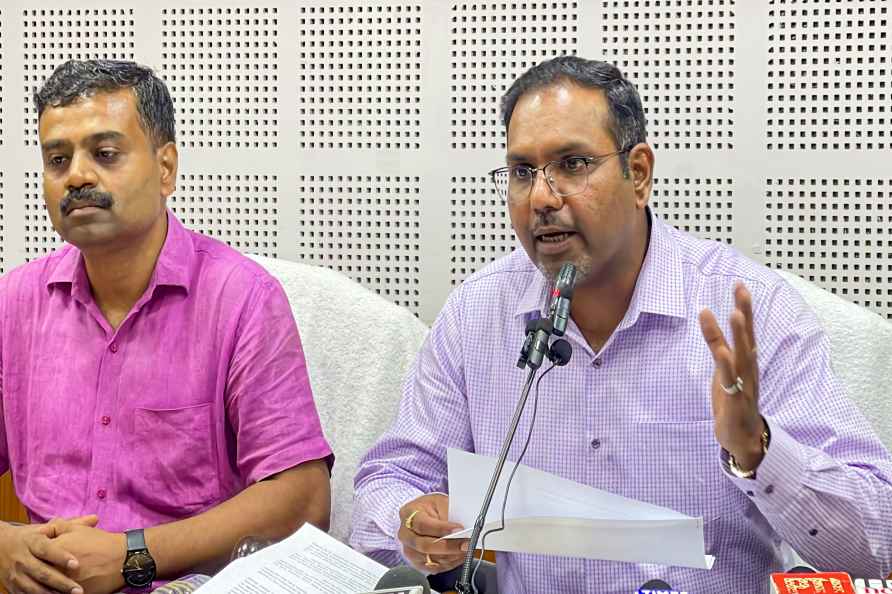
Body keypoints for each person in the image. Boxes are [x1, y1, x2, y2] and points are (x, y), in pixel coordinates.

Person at [350, 56, 892, 593]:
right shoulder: (476, 314)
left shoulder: (750, 313)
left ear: (638, 174)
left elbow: (879, 539)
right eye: (522, 172)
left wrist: (759, 452)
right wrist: (414, 524)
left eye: (573, 164)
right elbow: (386, 484)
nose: (542, 197)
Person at [0, 59, 333, 594]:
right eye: (58, 159)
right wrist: (5, 545)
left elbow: (303, 497)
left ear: (165, 168)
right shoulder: (14, 303)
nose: (78, 176)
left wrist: (135, 554)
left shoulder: (241, 299)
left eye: (104, 154)